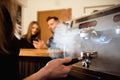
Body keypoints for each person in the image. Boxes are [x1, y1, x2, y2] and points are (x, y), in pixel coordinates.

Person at [0, 0, 72, 80]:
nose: (50, 27)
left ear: (58, 23)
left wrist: (44, 47)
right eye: (48, 25)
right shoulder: (49, 39)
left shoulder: (68, 34)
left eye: (52, 24)